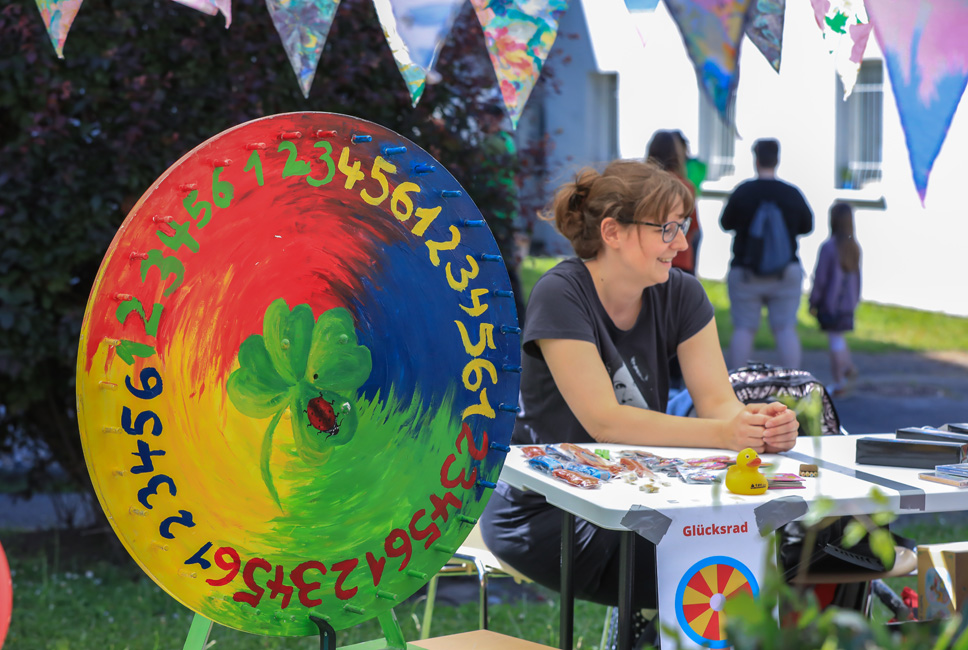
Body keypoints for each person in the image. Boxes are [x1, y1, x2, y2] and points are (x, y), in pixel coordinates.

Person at [480, 160, 799, 648]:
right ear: (613, 232)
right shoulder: (560, 294)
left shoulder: (683, 294)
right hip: (550, 514)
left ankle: (649, 633)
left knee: (779, 551)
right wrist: (726, 433)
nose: (682, 243)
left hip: (634, 501)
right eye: (666, 228)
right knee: (746, 562)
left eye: (682, 226)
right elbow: (605, 422)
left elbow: (719, 403)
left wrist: (758, 424)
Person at [720, 139, 813, 370]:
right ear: (777, 159)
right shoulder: (791, 194)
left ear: (756, 160)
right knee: (785, 329)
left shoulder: (743, 192)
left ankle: (738, 384)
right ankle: (793, 383)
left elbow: (725, 223)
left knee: (744, 329)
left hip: (745, 271)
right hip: (785, 271)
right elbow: (807, 226)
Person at [809, 202, 861, 396]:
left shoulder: (829, 248)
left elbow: (821, 278)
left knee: (835, 341)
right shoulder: (854, 247)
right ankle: (848, 368)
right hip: (848, 304)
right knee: (839, 338)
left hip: (831, 305)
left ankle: (839, 381)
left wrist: (814, 300)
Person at [645, 130, 701, 275]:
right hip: (679, 260)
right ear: (677, 154)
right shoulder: (684, 187)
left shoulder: (643, 185)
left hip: (649, 259)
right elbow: (693, 227)